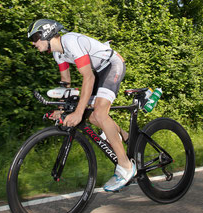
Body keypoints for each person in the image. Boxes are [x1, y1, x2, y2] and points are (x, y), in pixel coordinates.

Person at [27, 19, 136, 192]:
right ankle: (124, 136)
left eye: (34, 37)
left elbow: (89, 78)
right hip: (99, 71)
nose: (33, 43)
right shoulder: (58, 54)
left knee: (99, 113)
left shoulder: (70, 41)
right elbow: (66, 84)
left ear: (47, 33)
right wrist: (62, 110)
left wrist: (78, 112)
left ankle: (126, 167)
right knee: (92, 116)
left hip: (112, 64)